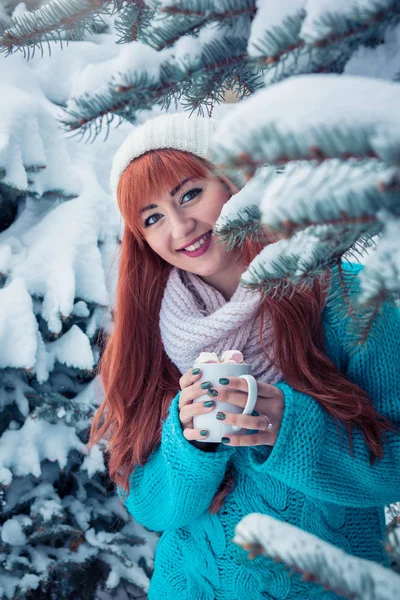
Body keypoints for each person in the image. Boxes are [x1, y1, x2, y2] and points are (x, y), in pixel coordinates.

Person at [88, 112, 400, 600]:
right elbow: (148, 504)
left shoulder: (346, 297)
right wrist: (190, 441)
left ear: (234, 183)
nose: (180, 226)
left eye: (190, 193)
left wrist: (286, 428)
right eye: (152, 218)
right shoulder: (152, 333)